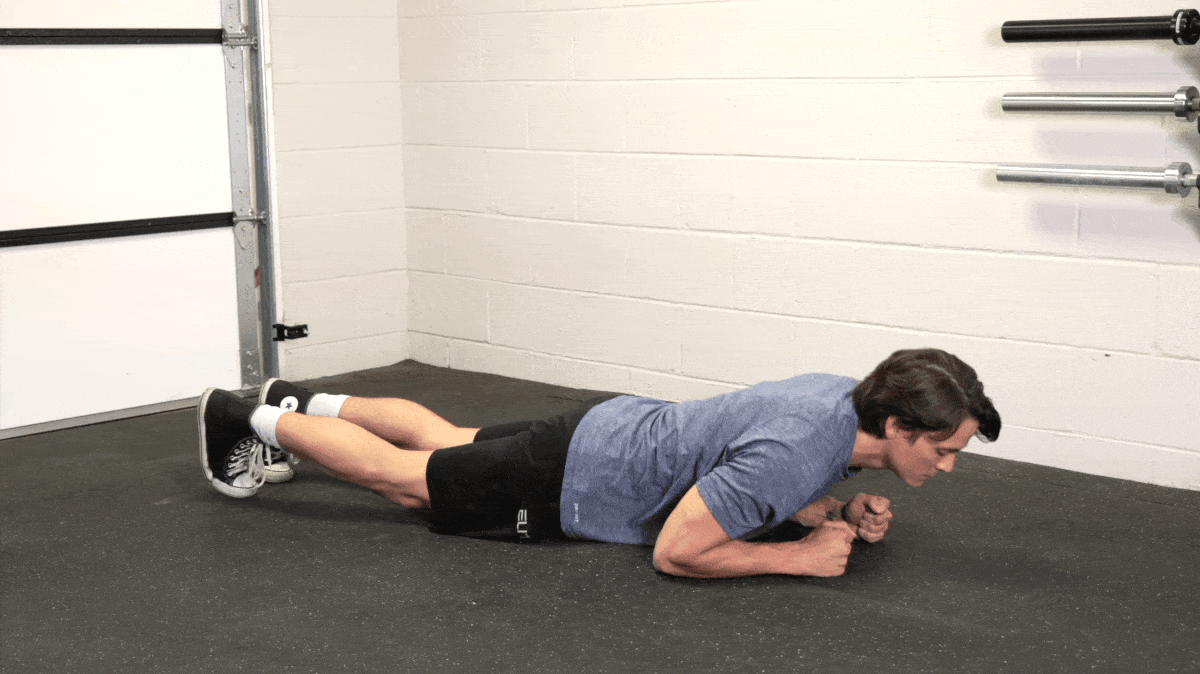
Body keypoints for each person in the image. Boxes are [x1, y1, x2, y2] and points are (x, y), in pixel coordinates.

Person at [197, 348, 1000, 578]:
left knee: (448, 437)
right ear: (894, 424)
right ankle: (249, 417)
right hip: (579, 477)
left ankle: (300, 396)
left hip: (609, 427)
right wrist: (803, 556)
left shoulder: (835, 399)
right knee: (406, 481)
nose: (950, 466)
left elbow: (749, 457)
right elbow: (678, 553)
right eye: (944, 449)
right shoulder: (798, 454)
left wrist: (826, 507)